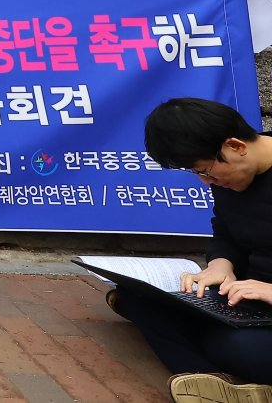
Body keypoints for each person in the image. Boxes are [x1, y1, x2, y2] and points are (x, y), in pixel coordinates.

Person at [115, 98, 272, 402]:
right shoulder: (232, 178)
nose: (206, 181)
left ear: (236, 146)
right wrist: (220, 265)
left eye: (207, 171)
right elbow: (226, 232)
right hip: (249, 303)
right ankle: (212, 382)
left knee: (233, 344)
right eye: (197, 173)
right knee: (138, 295)